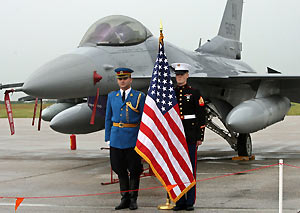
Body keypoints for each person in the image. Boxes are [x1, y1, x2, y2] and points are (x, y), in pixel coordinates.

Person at [105, 67, 146, 210]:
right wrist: (108, 137)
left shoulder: (139, 96)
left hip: (132, 138)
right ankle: (124, 199)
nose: (122, 81)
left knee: (134, 170)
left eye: (125, 79)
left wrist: (142, 139)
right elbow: (108, 118)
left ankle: (133, 199)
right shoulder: (112, 96)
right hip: (116, 138)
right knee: (119, 169)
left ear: (130, 79)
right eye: (120, 79)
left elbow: (143, 119)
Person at [171, 63, 206, 211]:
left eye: (182, 74)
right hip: (174, 136)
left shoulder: (195, 93)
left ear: (187, 75)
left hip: (190, 135)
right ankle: (179, 201)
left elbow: (201, 116)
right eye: (177, 74)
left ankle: (189, 201)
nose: (179, 76)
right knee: (175, 169)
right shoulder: (170, 93)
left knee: (190, 169)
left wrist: (200, 136)